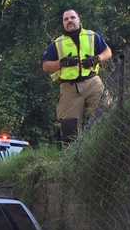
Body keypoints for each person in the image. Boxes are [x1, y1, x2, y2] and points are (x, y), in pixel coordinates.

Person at [42, 9, 112, 141]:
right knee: (69, 129)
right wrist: (61, 63)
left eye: (72, 18)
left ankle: (105, 146)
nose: (69, 21)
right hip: (69, 88)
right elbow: (45, 65)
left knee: (106, 113)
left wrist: (97, 58)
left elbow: (108, 52)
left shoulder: (92, 36)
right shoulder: (57, 43)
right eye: (66, 19)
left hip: (92, 82)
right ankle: (72, 158)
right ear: (63, 23)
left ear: (79, 19)